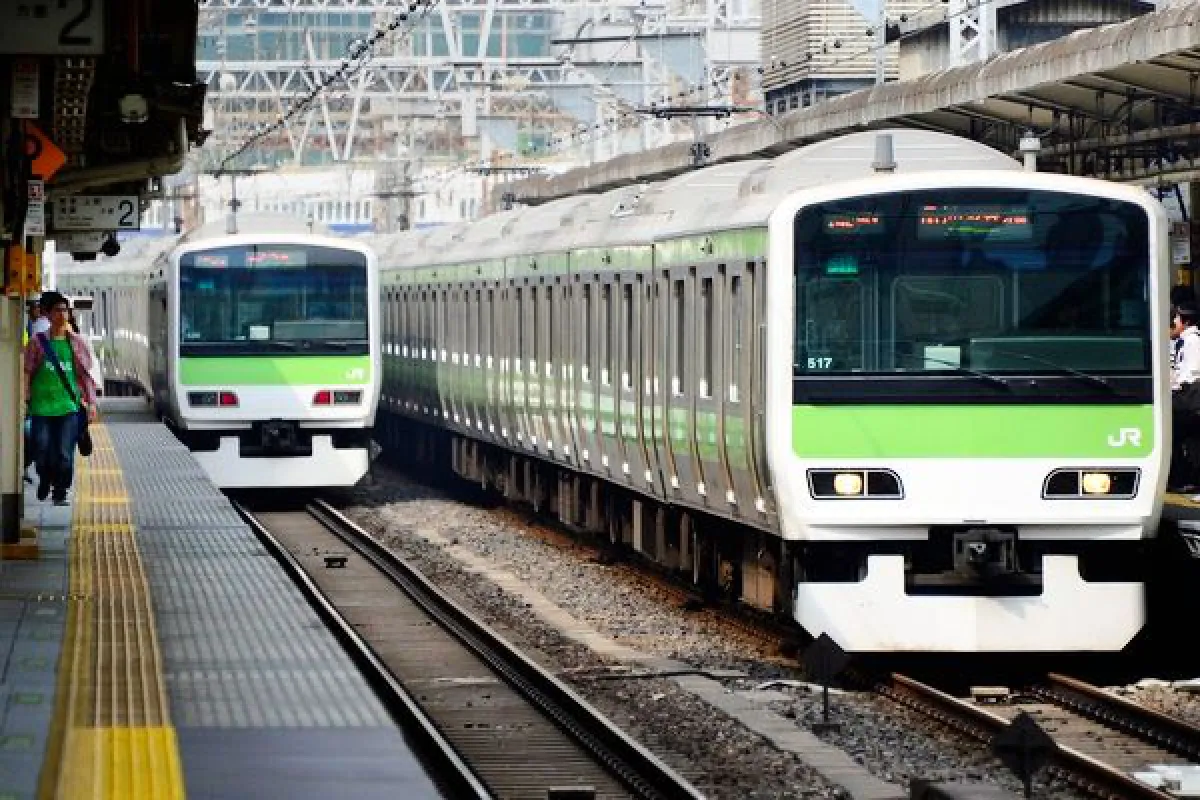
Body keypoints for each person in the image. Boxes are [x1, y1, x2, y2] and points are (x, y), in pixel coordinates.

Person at [22, 291, 98, 505]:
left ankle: (60, 491)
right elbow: (27, 371)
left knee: (65, 454)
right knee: (42, 449)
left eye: (65, 310)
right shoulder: (37, 343)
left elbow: (85, 376)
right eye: (58, 310)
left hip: (68, 406)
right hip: (41, 407)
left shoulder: (76, 343)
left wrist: (91, 403)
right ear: (47, 314)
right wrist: (25, 397)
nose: (62, 314)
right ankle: (45, 478)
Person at [1169, 304, 1200, 492]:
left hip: (1189, 398)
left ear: (1186, 322)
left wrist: (1176, 385)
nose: (1174, 322)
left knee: (1177, 435)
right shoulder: (1183, 341)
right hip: (1186, 397)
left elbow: (1192, 371)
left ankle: (1183, 478)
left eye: (1177, 319)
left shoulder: (1193, 341)